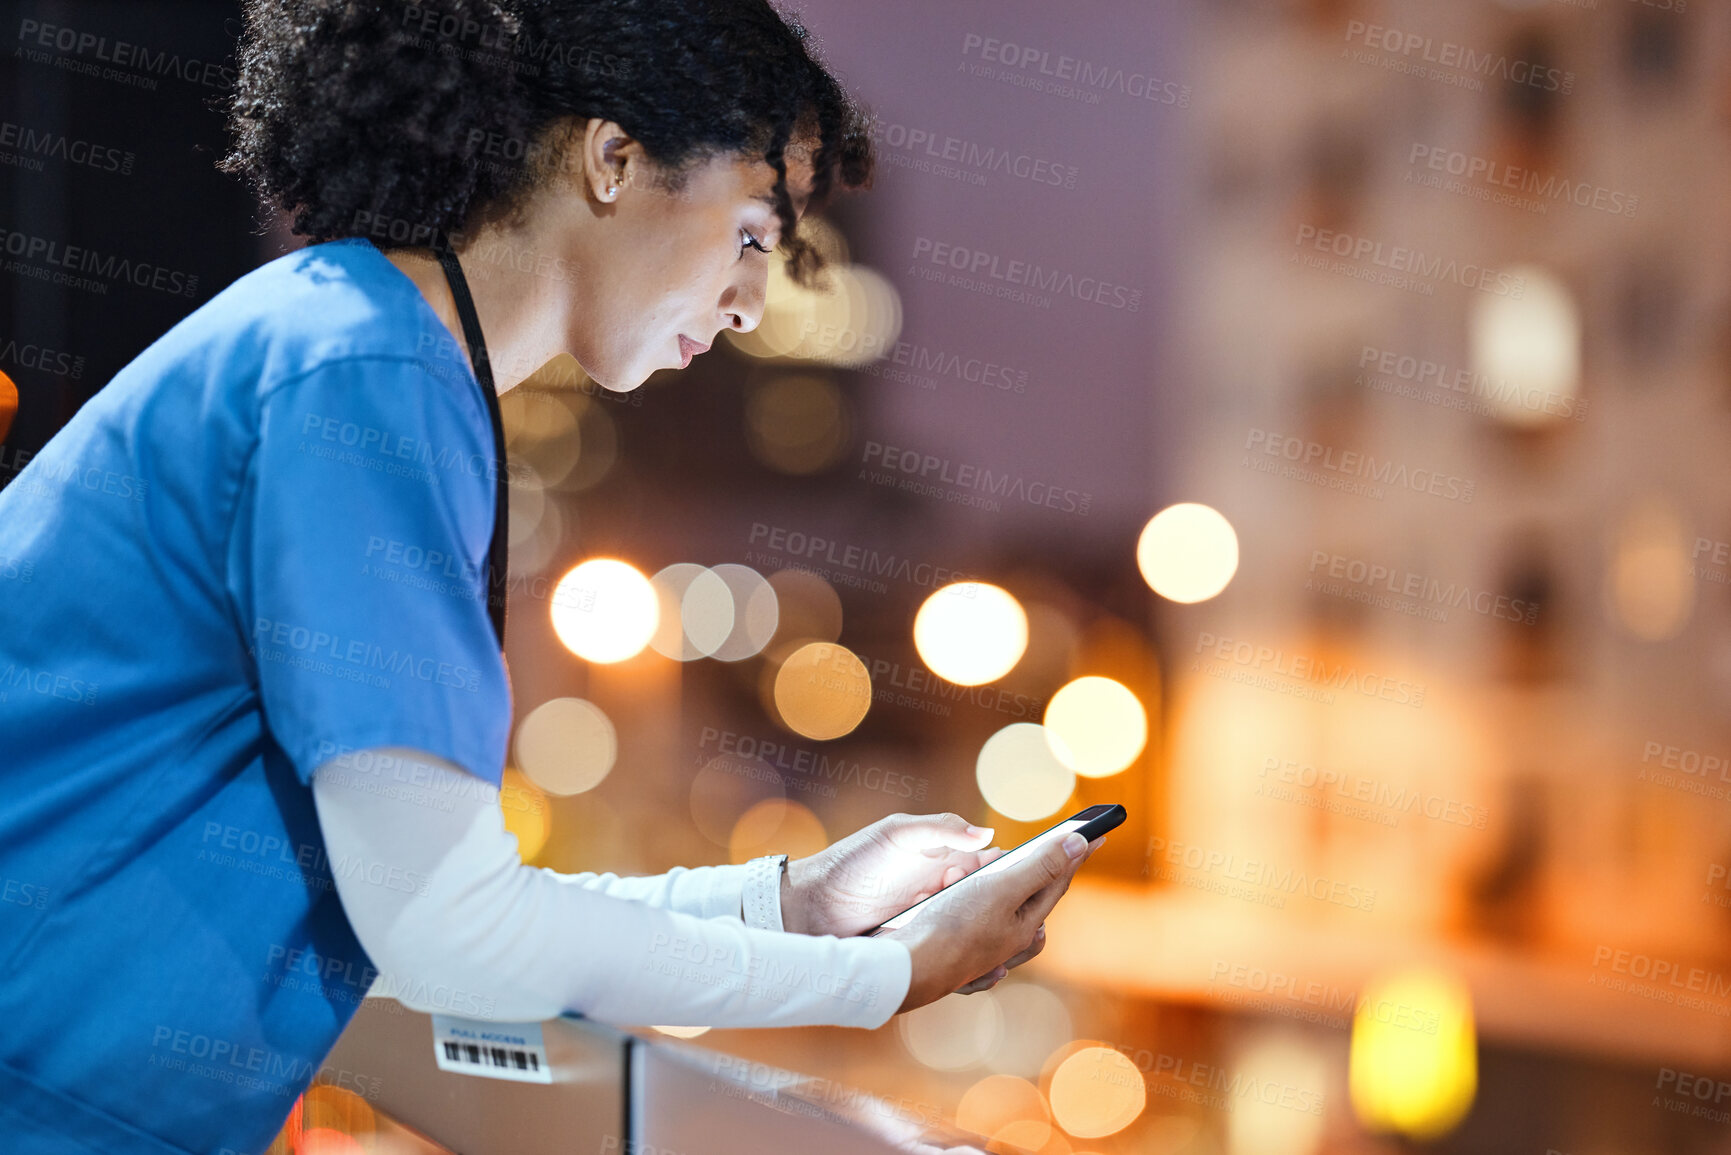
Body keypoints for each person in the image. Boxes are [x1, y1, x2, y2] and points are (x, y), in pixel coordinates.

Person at [0, 2, 1105, 1153]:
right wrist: (884, 979)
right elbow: (451, 933)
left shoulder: (359, 350)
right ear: (613, 160)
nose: (751, 304)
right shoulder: (360, 377)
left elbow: (438, 894)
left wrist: (798, 903)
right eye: (747, 236)